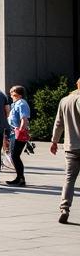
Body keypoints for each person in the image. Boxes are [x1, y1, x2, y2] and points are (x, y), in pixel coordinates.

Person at [50, 76, 80, 224]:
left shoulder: (64, 100)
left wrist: (54, 141)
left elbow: (58, 123)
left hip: (71, 146)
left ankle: (64, 208)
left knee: (69, 178)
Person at [5, 85, 31, 187]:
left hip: (17, 133)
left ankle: (21, 179)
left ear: (18, 94)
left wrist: (20, 131)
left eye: (12, 92)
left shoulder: (21, 103)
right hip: (13, 133)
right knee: (14, 156)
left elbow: (24, 119)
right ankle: (19, 177)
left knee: (15, 156)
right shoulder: (15, 104)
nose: (10, 94)